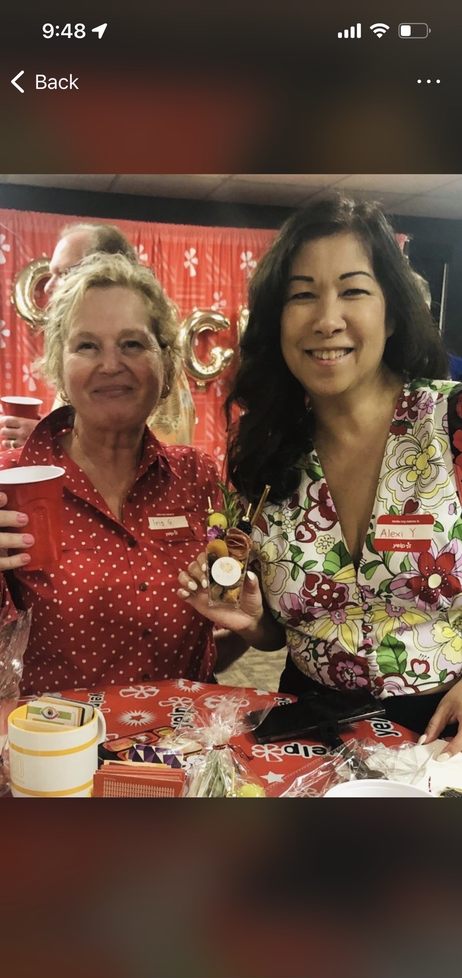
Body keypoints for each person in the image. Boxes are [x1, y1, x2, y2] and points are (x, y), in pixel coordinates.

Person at [178, 193, 462, 757]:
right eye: (302, 295)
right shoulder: (265, 449)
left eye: (353, 291)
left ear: (391, 310)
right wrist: (252, 621)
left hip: (444, 731)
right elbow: (284, 629)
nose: (327, 320)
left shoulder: (451, 422)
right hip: (310, 733)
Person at [0, 252, 218, 695]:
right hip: (56, 734)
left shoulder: (198, 478)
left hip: (183, 733)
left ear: (165, 362)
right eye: (87, 346)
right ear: (59, 365)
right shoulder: (11, 480)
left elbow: (231, 622)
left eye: (132, 344)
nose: (111, 365)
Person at [0, 222, 196, 449]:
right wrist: (44, 435)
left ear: (107, 273)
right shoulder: (72, 352)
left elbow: (145, 459)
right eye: (88, 346)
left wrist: (46, 443)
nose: (48, 287)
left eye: (64, 274)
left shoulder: (151, 365)